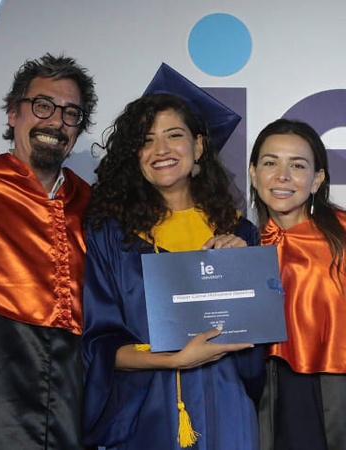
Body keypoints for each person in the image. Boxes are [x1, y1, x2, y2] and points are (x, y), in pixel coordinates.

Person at [82, 92, 266, 450]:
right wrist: (176, 360)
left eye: (174, 135)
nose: (161, 148)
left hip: (227, 406)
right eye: (146, 140)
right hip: (146, 411)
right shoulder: (111, 235)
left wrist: (246, 272)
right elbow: (99, 346)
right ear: (135, 156)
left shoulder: (239, 233)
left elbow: (257, 342)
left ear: (198, 146)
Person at [0, 53, 97, 449]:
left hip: (70, 396)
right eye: (43, 106)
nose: (55, 122)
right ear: (14, 113)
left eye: (70, 114)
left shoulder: (93, 209)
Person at [249, 118, 346, 450]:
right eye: (270, 162)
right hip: (260, 393)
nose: (282, 176)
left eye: (298, 165)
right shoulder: (238, 245)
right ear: (253, 173)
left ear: (317, 178)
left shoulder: (344, 235)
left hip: (333, 389)